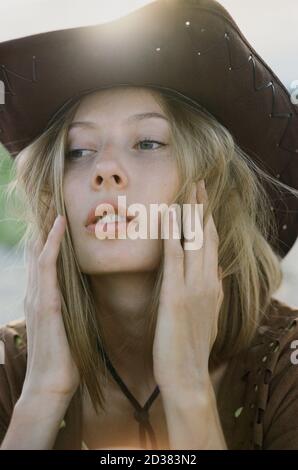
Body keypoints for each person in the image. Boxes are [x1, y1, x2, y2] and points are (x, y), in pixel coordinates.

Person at [0, 0, 298, 450]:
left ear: (216, 185)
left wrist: (187, 389)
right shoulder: (8, 366)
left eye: (148, 142)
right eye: (79, 151)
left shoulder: (287, 367)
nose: (105, 170)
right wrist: (40, 397)